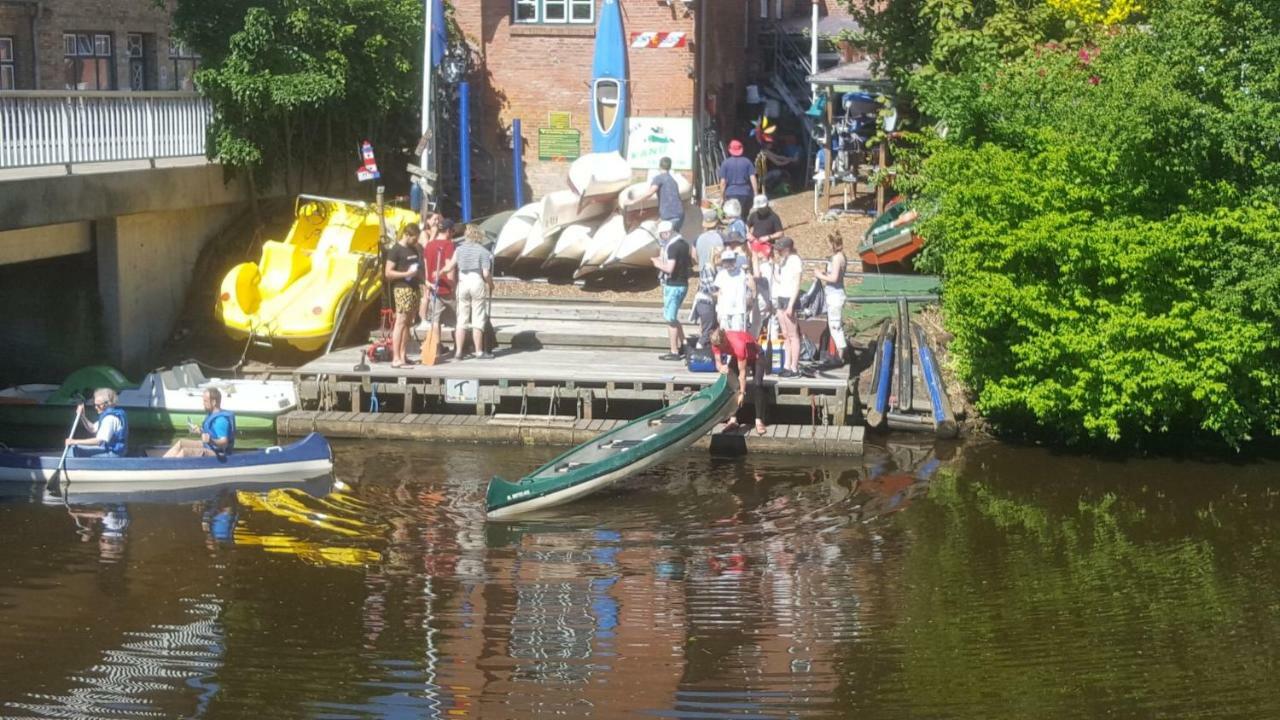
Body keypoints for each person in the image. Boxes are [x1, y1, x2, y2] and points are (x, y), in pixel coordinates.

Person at [439, 224, 495, 360]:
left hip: (463, 282)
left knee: (462, 319)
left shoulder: (459, 250)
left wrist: (440, 272)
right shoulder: (483, 252)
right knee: (478, 317)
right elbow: (486, 273)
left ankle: (458, 352)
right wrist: (491, 284)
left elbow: (449, 267)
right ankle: (479, 351)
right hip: (476, 281)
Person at [710, 327, 768, 436]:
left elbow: (743, 373)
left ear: (725, 341)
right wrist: (721, 367)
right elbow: (718, 363)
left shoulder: (737, 344)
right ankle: (733, 419)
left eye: (719, 347)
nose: (718, 348)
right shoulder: (716, 342)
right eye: (716, 346)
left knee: (757, 384)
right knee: (731, 381)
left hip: (756, 355)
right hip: (736, 355)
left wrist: (742, 393)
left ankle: (759, 420)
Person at [651, 220, 693, 360]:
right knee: (673, 317)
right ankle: (685, 344)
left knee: (670, 319)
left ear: (667, 233)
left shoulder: (672, 247)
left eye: (662, 234)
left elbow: (669, 268)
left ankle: (674, 351)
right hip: (683, 284)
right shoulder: (684, 243)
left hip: (674, 285)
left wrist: (657, 263)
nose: (661, 237)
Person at [384, 223, 423, 368]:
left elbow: (418, 269)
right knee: (400, 321)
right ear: (407, 235)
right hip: (402, 288)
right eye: (414, 238)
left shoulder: (413, 249)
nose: (416, 241)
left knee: (408, 322)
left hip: (413, 287)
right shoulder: (396, 250)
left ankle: (403, 355)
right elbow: (388, 273)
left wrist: (424, 282)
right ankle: (395, 358)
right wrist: (406, 274)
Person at [164, 388, 236, 458]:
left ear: (213, 402)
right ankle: (163, 462)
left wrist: (211, 440)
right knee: (181, 443)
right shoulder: (211, 414)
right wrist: (200, 431)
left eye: (205, 401)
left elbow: (224, 442)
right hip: (208, 446)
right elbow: (210, 433)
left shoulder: (221, 420)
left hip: (217, 453)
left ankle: (168, 467)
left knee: (184, 452)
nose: (203, 404)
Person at [419, 218, 457, 350]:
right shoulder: (448, 245)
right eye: (452, 231)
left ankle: (436, 347)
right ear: (447, 231)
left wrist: (428, 283)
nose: (453, 234)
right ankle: (459, 348)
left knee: (435, 321)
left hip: (433, 287)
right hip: (446, 286)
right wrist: (453, 286)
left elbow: (425, 267)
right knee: (458, 320)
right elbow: (449, 267)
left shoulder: (429, 245)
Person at [811, 231, 848, 365]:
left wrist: (820, 276)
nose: (827, 246)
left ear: (833, 243)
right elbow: (833, 274)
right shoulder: (837, 257)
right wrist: (823, 273)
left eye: (828, 243)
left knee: (835, 326)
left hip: (835, 295)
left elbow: (834, 278)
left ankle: (840, 355)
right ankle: (838, 355)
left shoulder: (838, 258)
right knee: (833, 325)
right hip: (832, 294)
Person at [691, 209, 724, 350]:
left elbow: (694, 257)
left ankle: (704, 347)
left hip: (703, 282)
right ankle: (715, 349)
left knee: (705, 322)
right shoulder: (721, 238)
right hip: (718, 282)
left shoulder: (698, 239)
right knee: (716, 321)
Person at [64, 388, 128, 458]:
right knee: (74, 448)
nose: (95, 407)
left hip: (112, 454)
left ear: (106, 404)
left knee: (74, 450)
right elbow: (92, 428)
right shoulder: (107, 416)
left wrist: (74, 441)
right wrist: (82, 416)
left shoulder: (110, 419)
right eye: (94, 405)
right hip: (107, 450)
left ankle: (70, 467)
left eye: (98, 405)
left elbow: (99, 441)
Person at [772, 237, 804, 377]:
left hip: (789, 299)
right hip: (781, 297)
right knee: (785, 334)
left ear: (787, 248)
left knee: (793, 335)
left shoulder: (795, 260)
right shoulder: (783, 261)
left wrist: (791, 305)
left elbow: (797, 284)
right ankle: (786, 364)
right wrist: (774, 266)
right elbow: (780, 279)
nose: (778, 251)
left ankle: (794, 367)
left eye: (780, 249)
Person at [633, 156, 686, 226]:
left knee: (663, 235)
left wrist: (633, 201)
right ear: (670, 167)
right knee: (671, 234)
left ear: (659, 166)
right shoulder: (673, 181)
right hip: (679, 215)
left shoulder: (659, 178)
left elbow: (649, 193)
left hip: (669, 216)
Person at [714, 247, 754, 333]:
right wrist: (718, 311)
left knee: (737, 333)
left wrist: (750, 300)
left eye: (730, 261)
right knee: (725, 334)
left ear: (734, 261)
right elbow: (719, 293)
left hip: (739, 310)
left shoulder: (742, 273)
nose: (728, 263)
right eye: (726, 261)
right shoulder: (721, 275)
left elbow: (751, 287)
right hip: (724, 310)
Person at [718, 139, 758, 219]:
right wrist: (756, 194)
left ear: (730, 150)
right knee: (744, 217)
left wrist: (722, 197)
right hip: (745, 193)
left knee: (733, 217)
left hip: (731, 193)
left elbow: (723, 182)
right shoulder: (747, 162)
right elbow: (753, 178)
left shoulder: (725, 163)